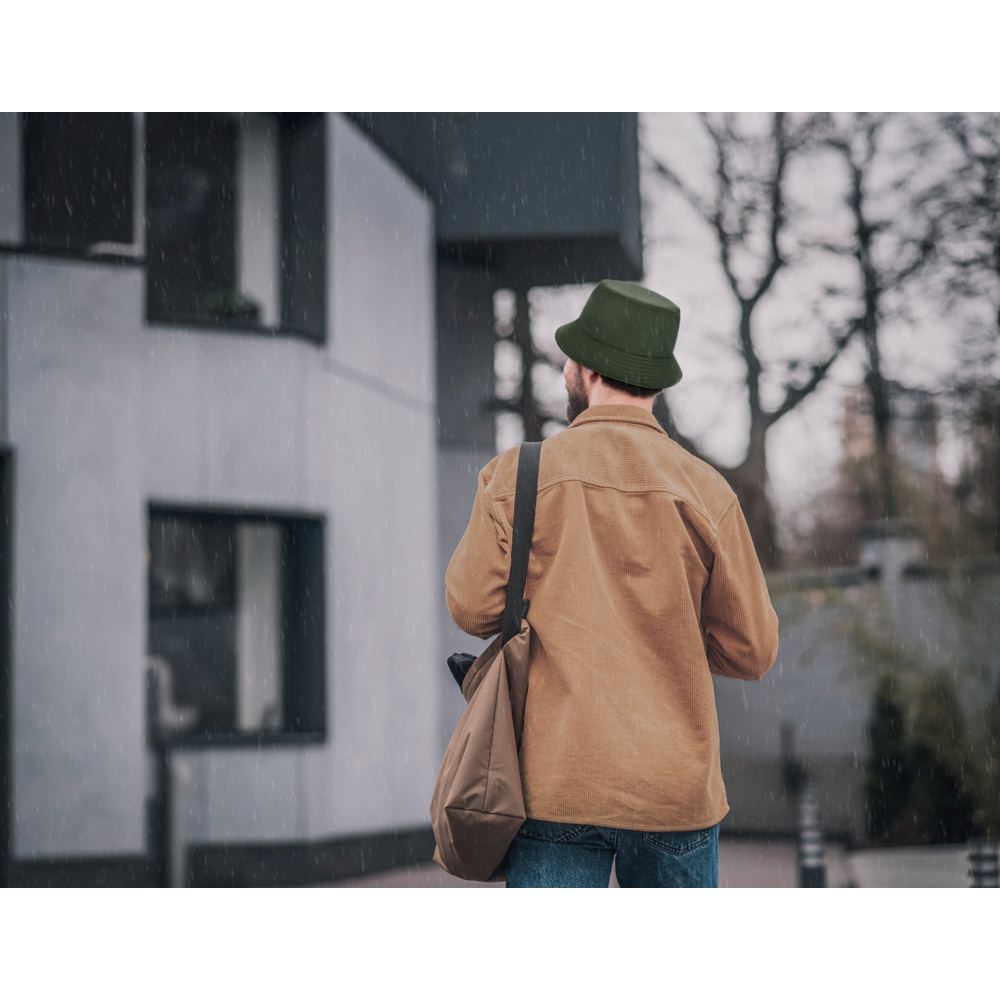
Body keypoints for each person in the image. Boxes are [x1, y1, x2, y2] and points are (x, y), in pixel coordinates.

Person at [445, 279, 779, 888]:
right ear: (657, 382)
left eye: (570, 358)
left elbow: (470, 608)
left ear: (588, 369)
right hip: (675, 790)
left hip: (556, 781)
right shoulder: (707, 491)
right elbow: (752, 650)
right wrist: (668, 636)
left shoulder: (519, 475)